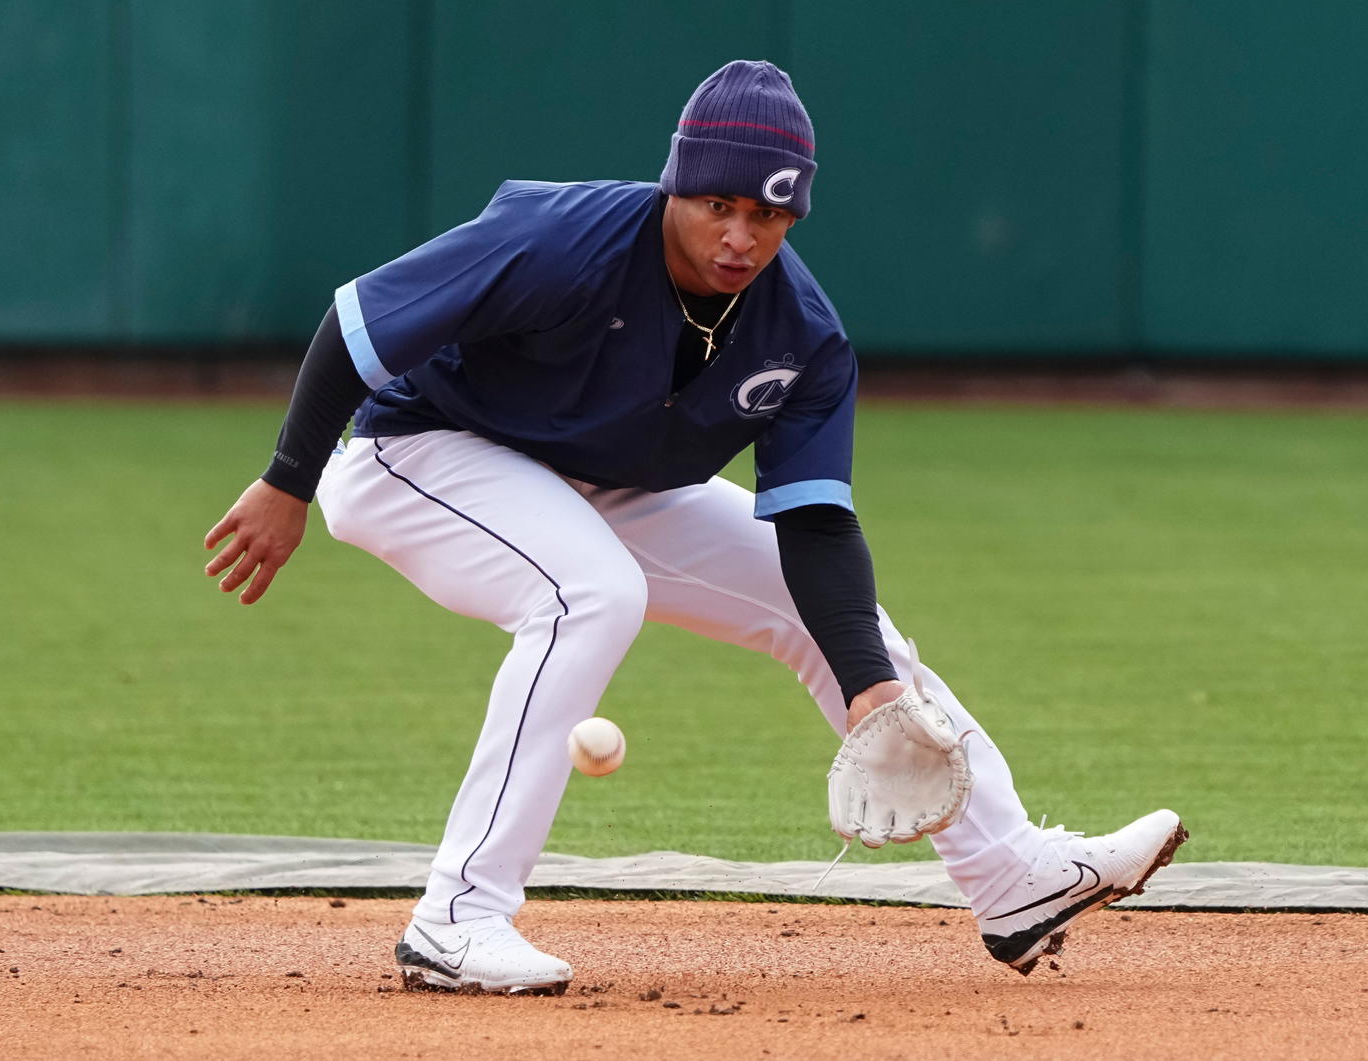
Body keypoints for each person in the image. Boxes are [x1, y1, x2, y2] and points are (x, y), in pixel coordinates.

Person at [204, 60, 1185, 995]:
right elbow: (358, 317)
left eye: (769, 213)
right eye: (719, 204)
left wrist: (870, 692)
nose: (741, 235)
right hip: (414, 453)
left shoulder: (802, 335)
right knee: (590, 593)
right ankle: (456, 919)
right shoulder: (561, 238)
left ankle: (1011, 875)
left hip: (591, 479)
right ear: (675, 186)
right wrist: (287, 478)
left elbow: (814, 526)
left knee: (849, 624)